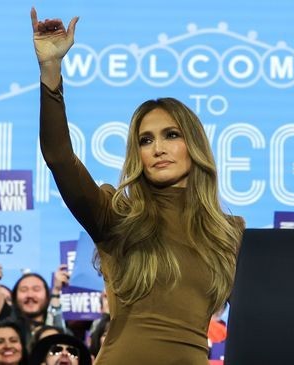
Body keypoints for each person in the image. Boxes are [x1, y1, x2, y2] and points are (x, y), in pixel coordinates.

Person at [31, 8, 244, 365]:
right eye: (146, 140)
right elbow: (59, 158)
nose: (158, 148)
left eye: (171, 135)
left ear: (193, 145)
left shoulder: (229, 233)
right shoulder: (116, 215)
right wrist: (51, 71)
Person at [10, 269, 68, 348]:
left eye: (36, 289)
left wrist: (56, 291)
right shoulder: (5, 329)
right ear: (14, 297)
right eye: (24, 290)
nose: (30, 295)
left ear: (47, 296)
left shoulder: (59, 328)